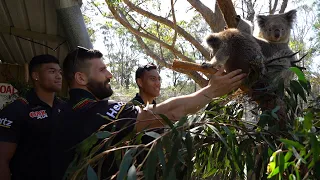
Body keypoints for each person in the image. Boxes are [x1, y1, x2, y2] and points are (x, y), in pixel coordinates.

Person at [50, 47, 246, 179]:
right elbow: (169, 111)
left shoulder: (58, 112)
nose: (109, 75)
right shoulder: (101, 112)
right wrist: (210, 91)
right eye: (102, 70)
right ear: (81, 78)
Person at [0, 55, 65, 180]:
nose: (59, 76)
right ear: (36, 76)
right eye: (52, 71)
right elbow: (2, 160)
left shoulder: (65, 107)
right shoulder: (17, 110)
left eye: (59, 72)